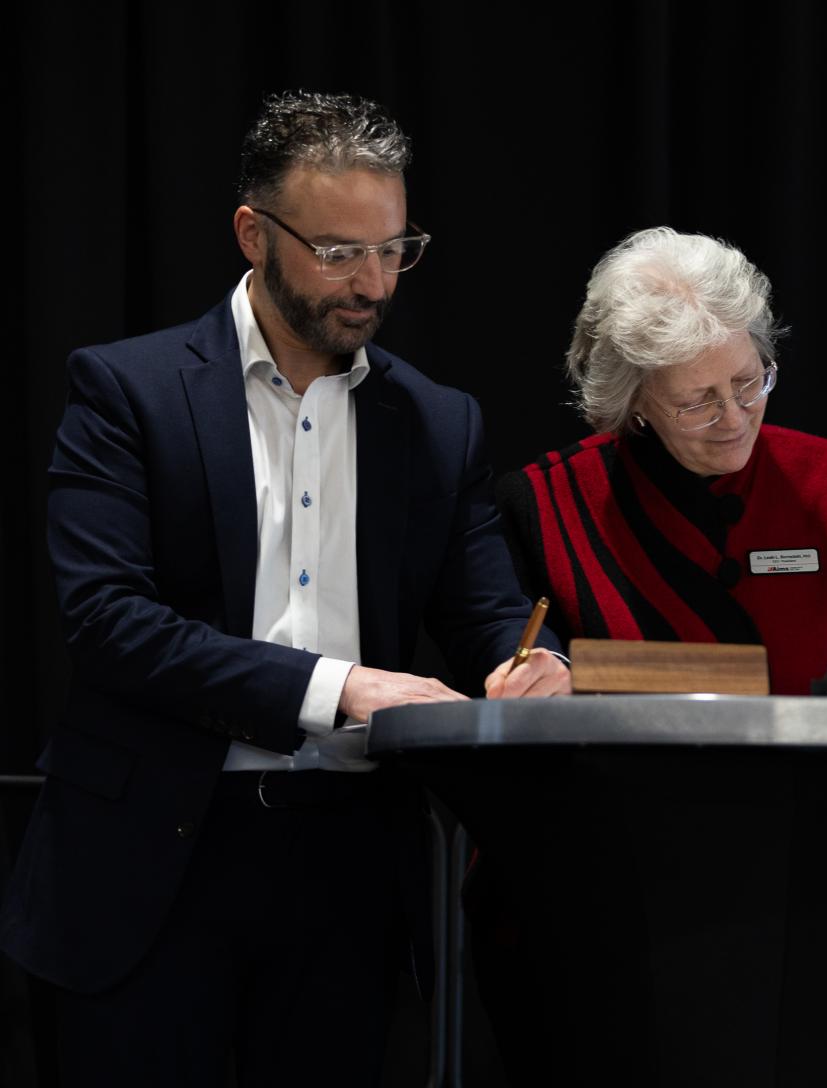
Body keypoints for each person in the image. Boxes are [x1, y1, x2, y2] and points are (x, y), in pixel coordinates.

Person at [0, 91, 569, 1087]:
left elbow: (489, 616)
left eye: (396, 248)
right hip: (155, 857)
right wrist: (337, 685)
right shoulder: (127, 389)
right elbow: (107, 621)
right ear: (251, 232)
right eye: (338, 250)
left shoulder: (436, 423)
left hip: (350, 863)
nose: (374, 282)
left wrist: (535, 668)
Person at [497, 226, 827, 700]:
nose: (734, 417)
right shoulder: (548, 503)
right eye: (697, 401)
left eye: (748, 382)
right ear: (635, 401)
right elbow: (533, 682)